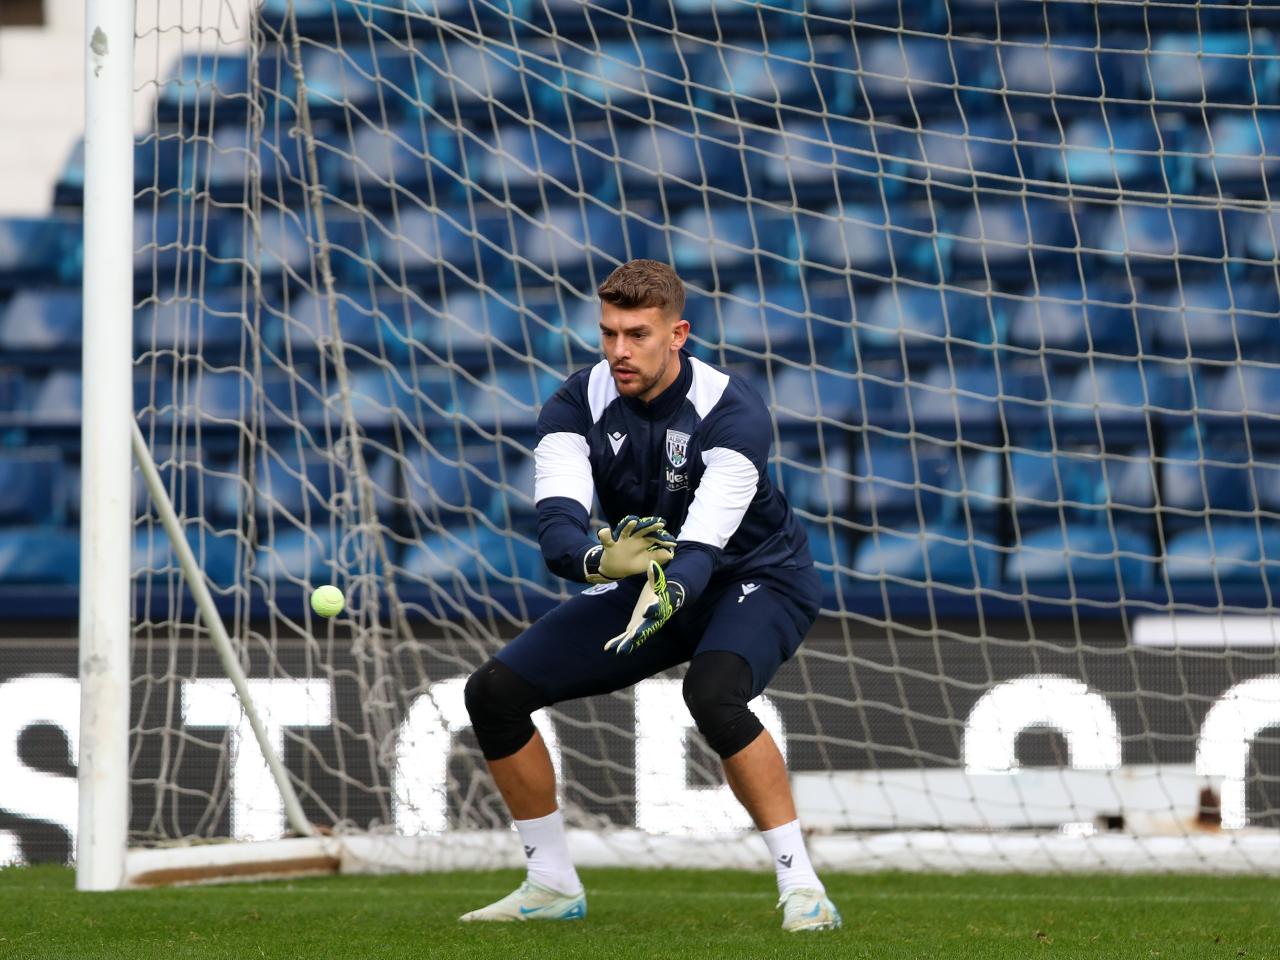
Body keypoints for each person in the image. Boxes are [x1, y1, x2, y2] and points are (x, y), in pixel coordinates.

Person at [460, 259, 840, 932]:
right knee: (493, 694)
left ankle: (803, 888)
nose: (619, 351)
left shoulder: (732, 411)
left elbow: (702, 550)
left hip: (757, 576)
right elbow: (557, 529)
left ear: (678, 334)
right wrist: (598, 559)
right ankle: (550, 884)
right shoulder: (575, 404)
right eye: (609, 333)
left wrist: (658, 592)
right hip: (650, 581)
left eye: (637, 334)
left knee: (713, 694)